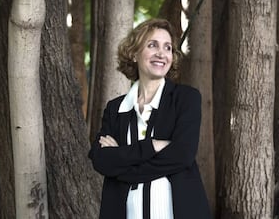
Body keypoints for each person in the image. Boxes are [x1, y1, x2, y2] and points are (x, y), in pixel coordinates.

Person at [88, 18, 211, 219]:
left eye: (168, 47)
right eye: (152, 45)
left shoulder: (186, 98)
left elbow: (182, 155)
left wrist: (122, 167)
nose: (161, 53)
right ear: (134, 54)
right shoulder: (116, 108)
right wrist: (151, 146)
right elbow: (101, 160)